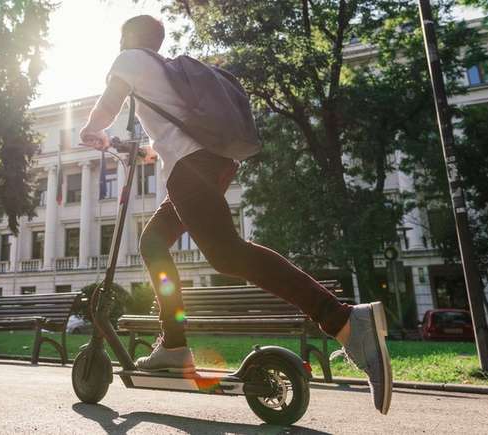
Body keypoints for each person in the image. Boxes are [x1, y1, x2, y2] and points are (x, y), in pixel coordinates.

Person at [79, 15, 393, 415]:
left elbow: (108, 103)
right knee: (153, 241)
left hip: (191, 171)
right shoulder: (162, 72)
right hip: (210, 164)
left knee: (227, 255)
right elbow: (174, 134)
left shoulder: (129, 61)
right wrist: (144, 152)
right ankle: (174, 346)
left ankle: (344, 320)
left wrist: (91, 130)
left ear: (127, 39)